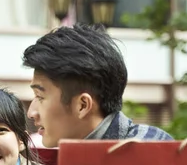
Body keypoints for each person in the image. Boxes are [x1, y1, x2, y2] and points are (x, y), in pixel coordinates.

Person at [22, 23, 173, 147]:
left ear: (82, 105)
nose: (31, 113)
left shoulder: (151, 151)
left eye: (40, 97)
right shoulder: (63, 160)